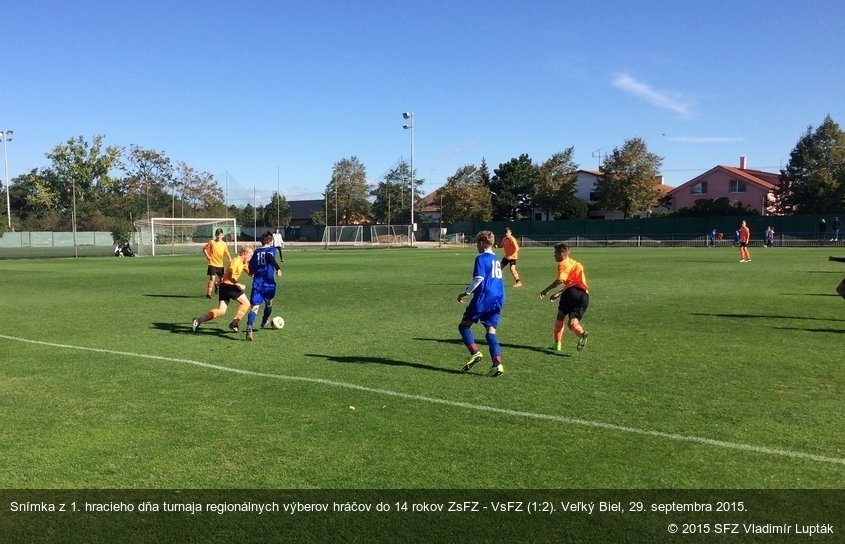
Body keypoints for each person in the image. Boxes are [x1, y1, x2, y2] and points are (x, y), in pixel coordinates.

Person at [458, 231, 505, 377]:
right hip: (499, 298)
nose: (476, 246)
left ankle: (475, 352)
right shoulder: (496, 259)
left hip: (484, 297)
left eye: (477, 243)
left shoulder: (481, 258)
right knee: (491, 333)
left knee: (464, 325)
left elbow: (478, 278)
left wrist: (466, 293)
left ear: (482, 243)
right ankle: (497, 364)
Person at [539, 242, 590, 352]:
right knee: (572, 323)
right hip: (584, 296)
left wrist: (546, 290)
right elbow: (576, 284)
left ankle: (557, 345)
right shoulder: (576, 264)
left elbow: (560, 280)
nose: (554, 255)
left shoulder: (563, 263)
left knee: (560, 317)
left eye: (555, 253)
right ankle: (582, 334)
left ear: (562, 254)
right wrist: (559, 293)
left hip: (571, 293)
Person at [192, 244, 255, 333]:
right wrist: (238, 284)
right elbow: (230, 276)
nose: (251, 257)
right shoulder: (236, 261)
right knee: (246, 303)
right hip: (229, 286)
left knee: (221, 311)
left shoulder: (243, 262)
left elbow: (249, 272)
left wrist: (254, 274)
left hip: (224, 287)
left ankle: (199, 320)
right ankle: (234, 323)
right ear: (245, 253)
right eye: (250, 255)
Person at [245, 231, 283, 341]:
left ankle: (249, 326)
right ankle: (265, 320)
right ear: (271, 241)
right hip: (268, 282)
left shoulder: (256, 252)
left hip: (257, 282)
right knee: (269, 303)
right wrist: (278, 268)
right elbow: (269, 257)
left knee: (254, 307)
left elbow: (250, 264)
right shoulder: (271, 250)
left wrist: (252, 272)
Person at [203, 228, 231, 299]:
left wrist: (230, 259)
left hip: (220, 265)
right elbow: (204, 249)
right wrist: (208, 256)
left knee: (221, 280)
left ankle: (217, 285)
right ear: (215, 235)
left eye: (220, 235)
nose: (219, 237)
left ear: (222, 235)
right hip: (212, 263)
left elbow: (227, 252)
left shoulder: (224, 244)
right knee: (212, 279)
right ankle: (209, 293)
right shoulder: (212, 242)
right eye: (218, 235)